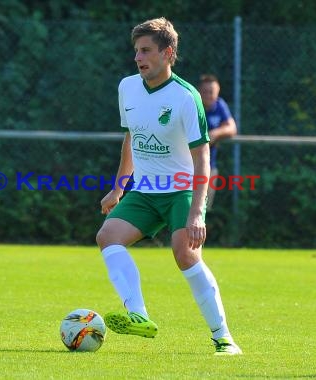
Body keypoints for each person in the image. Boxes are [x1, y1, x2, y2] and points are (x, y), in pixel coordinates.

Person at [95, 17, 242, 356]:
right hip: (145, 190)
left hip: (181, 189)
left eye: (146, 50)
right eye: (136, 51)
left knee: (184, 252)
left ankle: (224, 338)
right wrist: (118, 188)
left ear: (168, 52)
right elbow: (131, 137)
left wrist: (196, 214)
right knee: (107, 236)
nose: (138, 57)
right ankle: (139, 316)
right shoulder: (127, 87)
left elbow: (202, 157)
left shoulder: (186, 97)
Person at [198, 74, 237, 211]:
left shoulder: (220, 105)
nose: (209, 95)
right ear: (199, 92)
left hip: (209, 167)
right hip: (186, 167)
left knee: (203, 211)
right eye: (205, 92)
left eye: (212, 92)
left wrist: (214, 134)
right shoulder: (192, 106)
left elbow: (232, 128)